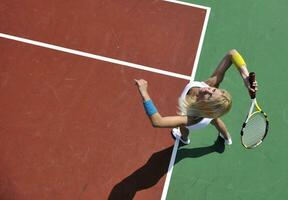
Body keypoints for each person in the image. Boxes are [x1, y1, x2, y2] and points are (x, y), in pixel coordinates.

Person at [134, 49, 257, 145]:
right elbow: (232, 53)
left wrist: (144, 92)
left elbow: (158, 122)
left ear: (207, 106)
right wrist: (245, 77)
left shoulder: (191, 118)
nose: (208, 89)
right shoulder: (211, 84)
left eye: (209, 95)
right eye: (214, 90)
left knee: (183, 127)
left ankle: (184, 139)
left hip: (199, 121)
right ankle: (227, 138)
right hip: (212, 114)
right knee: (216, 120)